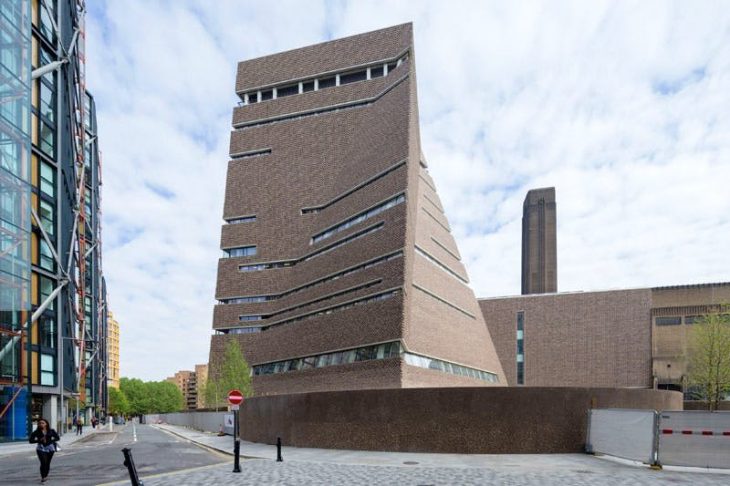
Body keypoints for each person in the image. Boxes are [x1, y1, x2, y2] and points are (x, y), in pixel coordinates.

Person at [29, 418, 60, 483]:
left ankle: (46, 475)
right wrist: (39, 440)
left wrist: (51, 441)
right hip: (41, 448)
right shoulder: (36, 432)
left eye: (43, 423)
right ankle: (43, 477)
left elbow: (57, 438)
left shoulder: (51, 430)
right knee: (43, 462)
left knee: (47, 463)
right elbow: (31, 440)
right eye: (39, 423)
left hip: (50, 448)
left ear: (46, 424)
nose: (41, 424)